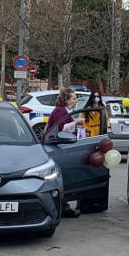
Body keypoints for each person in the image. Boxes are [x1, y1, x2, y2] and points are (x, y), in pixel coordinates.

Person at [45, 88, 81, 218]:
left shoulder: (63, 111)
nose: (75, 100)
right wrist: (76, 122)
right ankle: (63, 207)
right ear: (66, 100)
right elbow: (60, 129)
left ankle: (64, 206)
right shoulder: (60, 111)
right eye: (73, 98)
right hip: (58, 148)